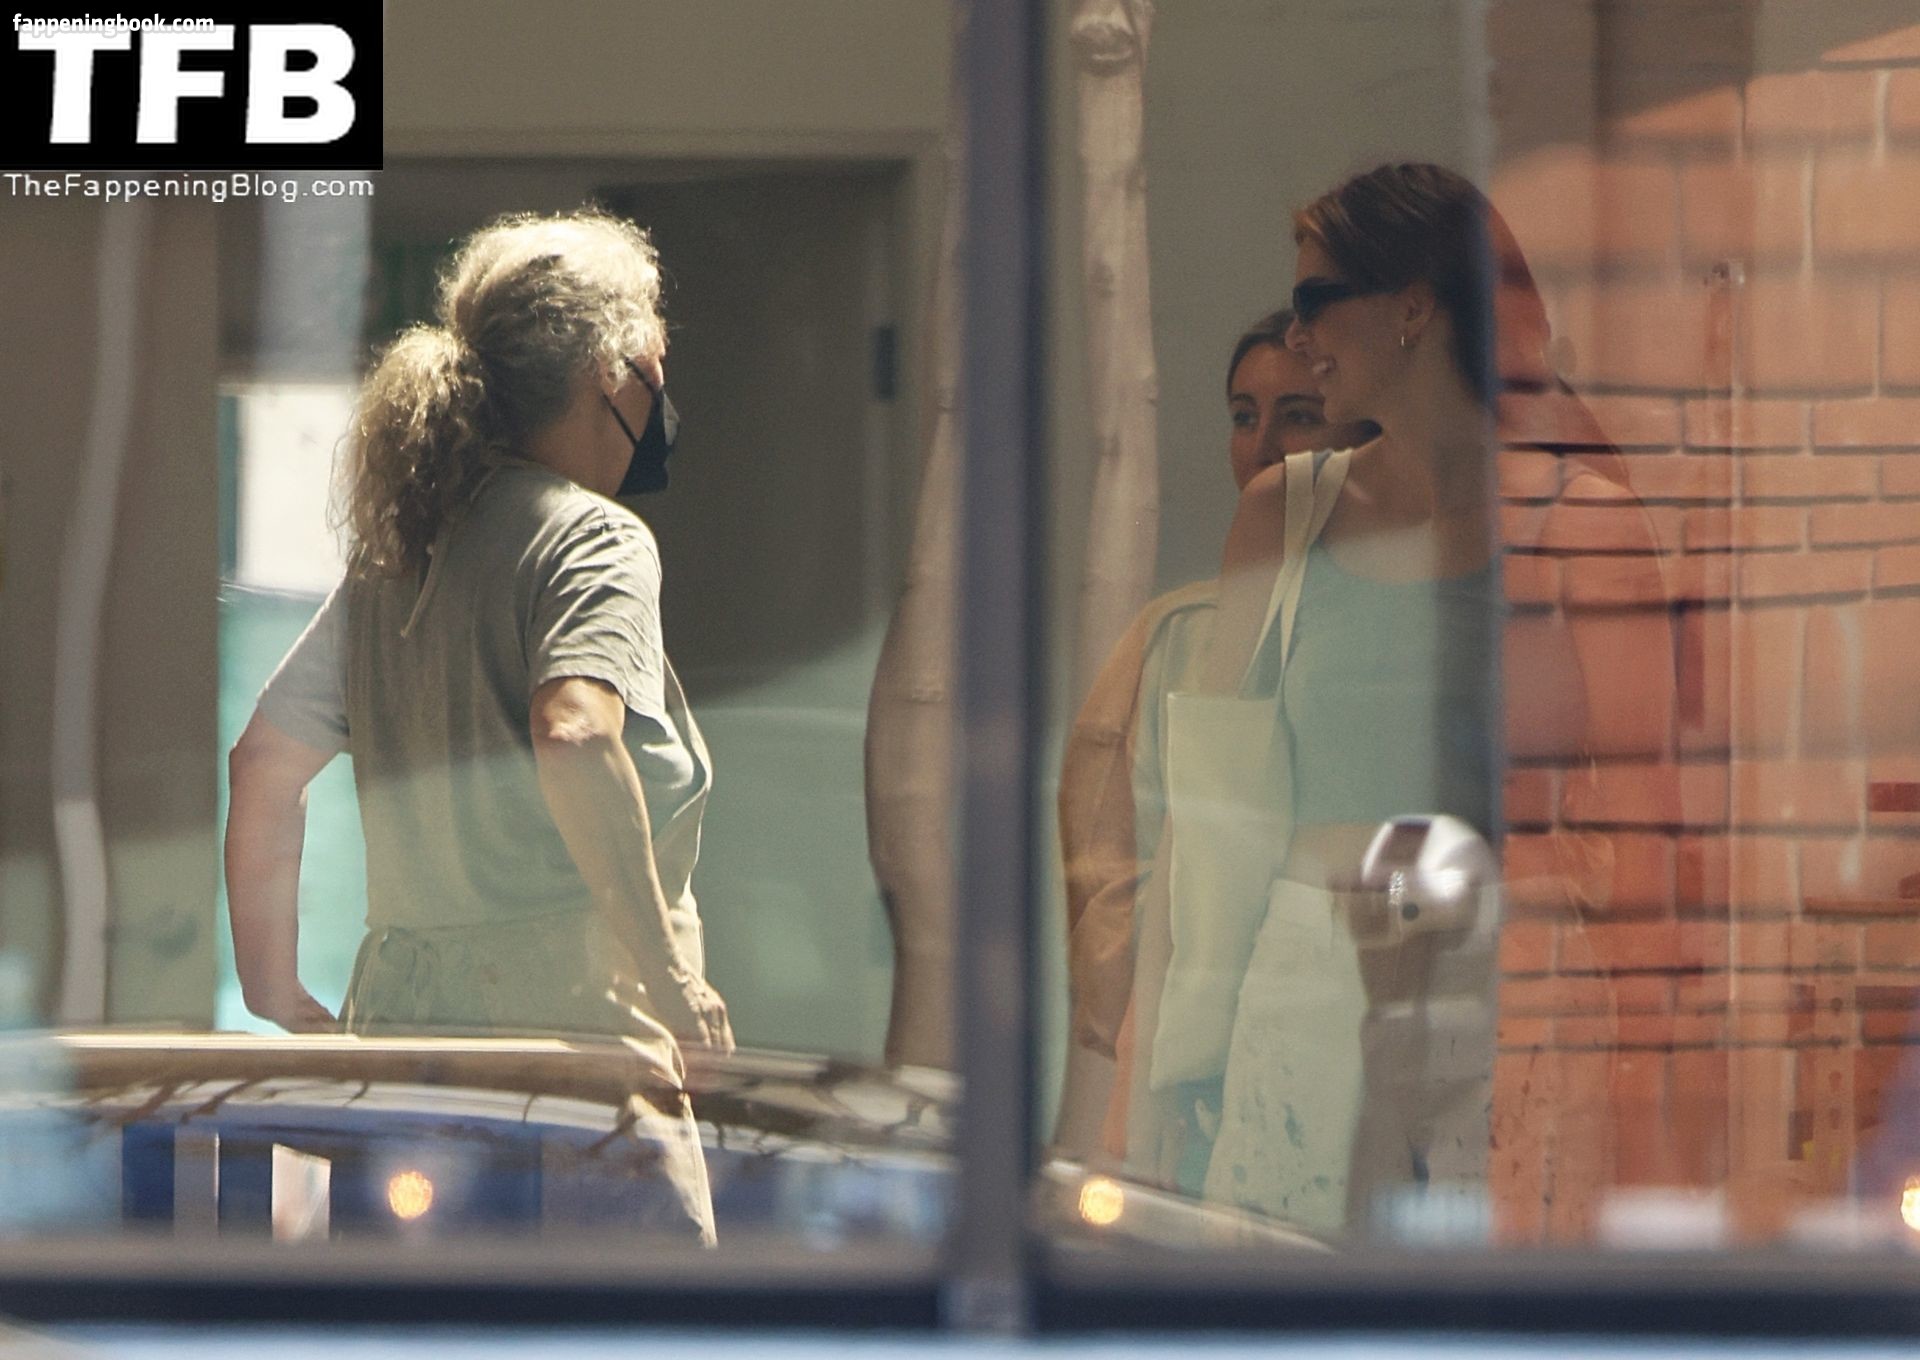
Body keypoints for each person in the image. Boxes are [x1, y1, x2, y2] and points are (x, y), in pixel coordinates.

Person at [1134, 163, 1668, 1238]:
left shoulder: (1588, 530)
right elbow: (1215, 826)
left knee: (1497, 1306)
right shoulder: (1285, 515)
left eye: (1317, 300)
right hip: (1307, 998)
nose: (1298, 337)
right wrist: (1165, 1068)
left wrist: (1661, 1115)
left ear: (1413, 308)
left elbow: (1653, 851)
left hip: (1515, 1002)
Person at [225, 209, 734, 1061]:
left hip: (396, 1030)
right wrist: (673, 985)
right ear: (609, 377)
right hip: (569, 1033)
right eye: (654, 369)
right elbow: (575, 733)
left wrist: (271, 986)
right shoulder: (591, 541)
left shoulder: (398, 556)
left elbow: (263, 764)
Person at [1055, 309, 1376, 1163]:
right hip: (1198, 1071)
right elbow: (1106, 870)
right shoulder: (1174, 636)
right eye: (1243, 416)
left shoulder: (1395, 625)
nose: (1263, 445)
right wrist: (1168, 1035)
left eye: (1297, 415)